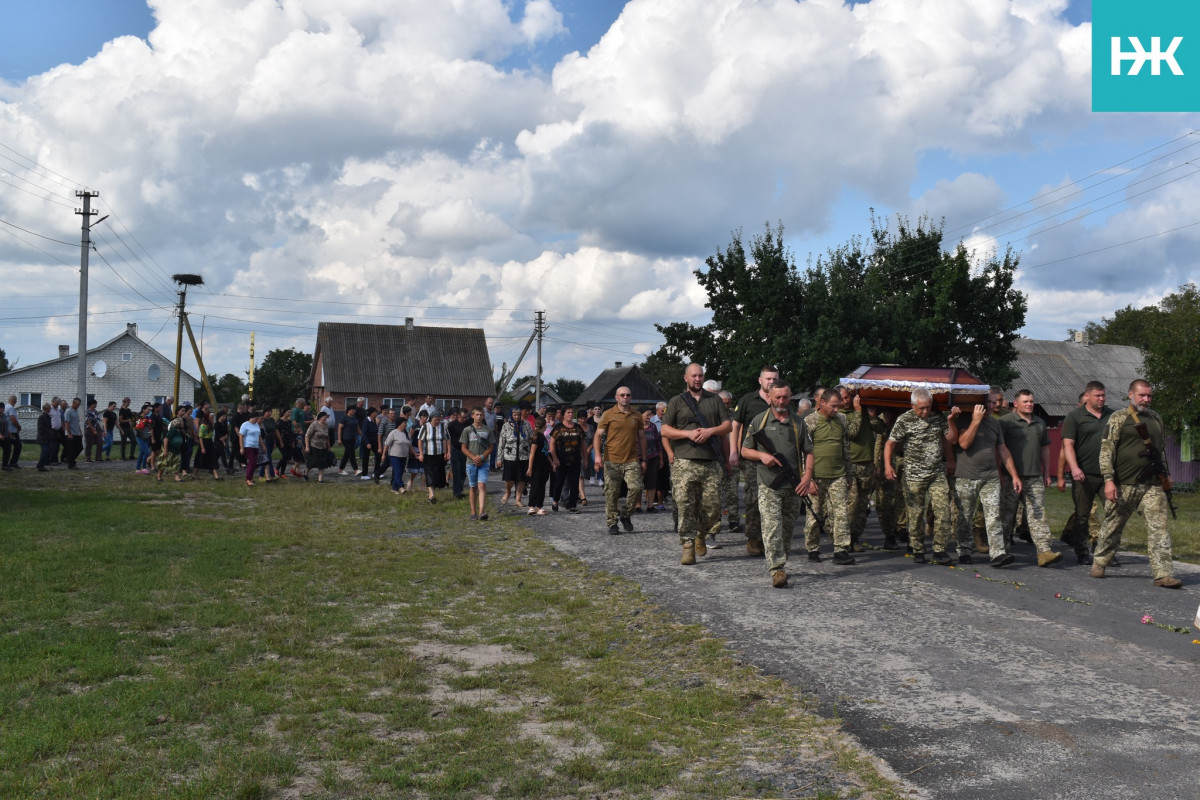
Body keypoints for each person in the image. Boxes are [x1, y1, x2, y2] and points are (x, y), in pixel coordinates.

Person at [1091, 380, 1182, 588]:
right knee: (1113, 525)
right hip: (1124, 484)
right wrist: (1108, 480)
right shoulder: (1119, 418)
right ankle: (1100, 560)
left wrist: (1166, 474)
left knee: (1159, 528)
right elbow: (1107, 450)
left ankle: (1163, 574)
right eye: (1142, 395)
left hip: (1152, 485)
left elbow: (1159, 452)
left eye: (1149, 396)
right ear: (1130, 394)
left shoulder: (1156, 418)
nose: (1146, 400)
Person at [740, 382, 808, 587]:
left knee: (787, 528)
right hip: (768, 484)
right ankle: (776, 569)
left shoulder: (798, 423)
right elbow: (745, 450)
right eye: (777, 397)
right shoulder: (759, 421)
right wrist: (762, 456)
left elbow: (809, 451)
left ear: (790, 397)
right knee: (771, 526)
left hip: (793, 485)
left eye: (785, 397)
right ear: (769, 397)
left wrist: (807, 477)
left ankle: (782, 560)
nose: (781, 401)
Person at [660, 364, 729, 564]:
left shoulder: (715, 400)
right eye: (694, 376)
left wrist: (710, 431)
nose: (697, 379)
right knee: (685, 505)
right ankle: (688, 545)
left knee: (713, 507)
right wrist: (688, 433)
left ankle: (701, 534)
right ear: (686, 378)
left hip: (711, 462)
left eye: (700, 376)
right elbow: (665, 430)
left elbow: (727, 426)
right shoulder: (676, 401)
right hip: (684, 461)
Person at [883, 389, 960, 564]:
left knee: (943, 511)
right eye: (921, 408)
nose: (925, 412)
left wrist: (950, 461)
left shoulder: (937, 417)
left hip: (936, 473)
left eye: (928, 407)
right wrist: (888, 466)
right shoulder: (905, 419)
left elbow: (948, 440)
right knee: (915, 514)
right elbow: (890, 443)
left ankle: (939, 550)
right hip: (913, 476)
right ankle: (917, 547)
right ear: (913, 405)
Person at [954, 395, 1022, 568]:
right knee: (965, 516)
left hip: (990, 477)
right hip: (966, 476)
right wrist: (975, 421)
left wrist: (1014, 475)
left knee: (993, 516)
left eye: (995, 403)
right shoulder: (964, 418)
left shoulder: (995, 423)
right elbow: (963, 443)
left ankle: (997, 553)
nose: (992, 406)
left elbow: (1002, 449)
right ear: (980, 403)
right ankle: (964, 550)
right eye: (989, 403)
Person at [998, 390, 1062, 567]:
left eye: (1032, 401)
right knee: (1006, 514)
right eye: (1025, 401)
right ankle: (1001, 550)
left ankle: (1044, 551)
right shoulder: (1005, 423)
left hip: (1034, 476)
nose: (1029, 404)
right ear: (1016, 404)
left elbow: (1045, 449)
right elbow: (999, 448)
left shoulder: (1039, 423)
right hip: (1010, 477)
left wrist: (1047, 473)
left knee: (1038, 513)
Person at [800, 388, 856, 565]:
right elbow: (801, 452)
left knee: (841, 514)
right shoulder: (810, 421)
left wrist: (849, 474)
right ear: (822, 403)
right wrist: (806, 479)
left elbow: (845, 448)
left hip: (838, 475)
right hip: (816, 477)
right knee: (814, 514)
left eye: (838, 406)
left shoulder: (842, 420)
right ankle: (812, 548)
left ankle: (841, 550)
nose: (837, 410)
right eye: (833, 406)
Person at [730, 366, 780, 556]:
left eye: (774, 378)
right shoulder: (748, 400)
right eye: (768, 378)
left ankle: (770, 538)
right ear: (760, 381)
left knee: (774, 499)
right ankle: (753, 538)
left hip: (775, 459)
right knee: (753, 498)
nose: (771, 382)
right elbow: (735, 425)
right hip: (751, 458)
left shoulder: (781, 400)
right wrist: (733, 451)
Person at [1060, 381, 1111, 566]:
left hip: (1107, 474)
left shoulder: (1111, 415)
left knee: (1113, 512)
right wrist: (1074, 468)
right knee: (1082, 515)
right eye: (1098, 396)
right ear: (1087, 396)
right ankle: (1082, 552)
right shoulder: (1075, 416)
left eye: (1103, 395)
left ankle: (1105, 551)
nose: (1101, 399)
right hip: (1084, 474)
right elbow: (1067, 445)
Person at [595, 388, 648, 535]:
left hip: (631, 459)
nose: (625, 397)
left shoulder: (636, 415)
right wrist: (598, 456)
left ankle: (625, 515)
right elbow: (598, 436)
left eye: (628, 395)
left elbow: (642, 438)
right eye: (622, 395)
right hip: (611, 460)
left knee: (636, 488)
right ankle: (612, 522)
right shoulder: (608, 414)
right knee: (612, 493)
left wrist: (644, 459)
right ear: (616, 397)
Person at [840, 387, 887, 553]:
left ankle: (855, 537)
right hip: (849, 465)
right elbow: (852, 433)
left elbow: (882, 429)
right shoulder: (839, 415)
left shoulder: (864, 412)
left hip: (866, 464)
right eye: (843, 398)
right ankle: (843, 539)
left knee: (862, 505)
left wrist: (872, 416)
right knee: (850, 505)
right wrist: (860, 412)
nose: (846, 401)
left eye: (848, 397)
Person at [549, 408, 586, 513]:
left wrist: (586, 458)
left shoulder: (578, 428)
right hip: (561, 459)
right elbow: (552, 443)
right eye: (568, 412)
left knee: (574, 483)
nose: (570, 414)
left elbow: (583, 444)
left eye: (571, 412)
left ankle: (572, 505)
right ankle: (555, 500)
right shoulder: (558, 427)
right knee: (559, 482)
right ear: (563, 415)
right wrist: (555, 458)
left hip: (575, 459)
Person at [498, 406, 533, 509]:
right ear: (511, 415)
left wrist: (532, 456)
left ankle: (518, 500)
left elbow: (531, 439)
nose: (517, 417)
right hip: (510, 456)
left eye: (519, 415)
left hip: (523, 456)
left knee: (522, 479)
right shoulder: (506, 426)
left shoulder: (526, 425)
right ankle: (508, 492)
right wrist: (499, 459)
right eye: (515, 415)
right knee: (510, 479)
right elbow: (501, 443)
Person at [525, 416, 553, 516]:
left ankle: (539, 506)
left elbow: (545, 452)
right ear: (545, 426)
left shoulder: (543, 437)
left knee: (542, 486)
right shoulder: (536, 437)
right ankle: (531, 506)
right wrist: (530, 467)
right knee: (535, 486)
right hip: (536, 465)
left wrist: (551, 462)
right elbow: (532, 453)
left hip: (544, 465)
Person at [157, 405, 192, 483]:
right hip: (169, 449)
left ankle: (177, 477)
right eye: (181, 422)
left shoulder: (180, 431)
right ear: (177, 423)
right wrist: (165, 450)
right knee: (165, 463)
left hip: (176, 449)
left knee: (177, 463)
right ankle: (159, 475)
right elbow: (166, 440)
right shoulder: (173, 430)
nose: (183, 423)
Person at [639, 408, 663, 514]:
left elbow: (658, 443)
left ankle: (650, 505)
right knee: (638, 483)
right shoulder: (636, 427)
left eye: (650, 415)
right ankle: (637, 505)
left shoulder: (653, 427)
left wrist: (661, 459)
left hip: (653, 458)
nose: (649, 417)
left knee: (652, 482)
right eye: (647, 415)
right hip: (639, 458)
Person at [383, 415, 412, 495]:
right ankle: (401, 487)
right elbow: (387, 444)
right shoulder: (393, 433)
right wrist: (383, 454)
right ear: (399, 424)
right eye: (404, 423)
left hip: (404, 456)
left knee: (400, 472)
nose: (406, 425)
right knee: (398, 471)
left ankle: (394, 488)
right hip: (394, 456)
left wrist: (415, 454)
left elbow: (410, 445)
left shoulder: (407, 434)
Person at [446, 407, 469, 499]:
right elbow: (448, 439)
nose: (464, 419)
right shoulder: (452, 425)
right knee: (456, 471)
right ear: (458, 416)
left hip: (466, 450)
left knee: (463, 472)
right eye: (462, 417)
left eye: (465, 417)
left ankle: (460, 489)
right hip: (455, 449)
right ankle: (456, 492)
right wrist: (448, 451)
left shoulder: (468, 424)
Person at [305, 410, 332, 482]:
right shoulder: (314, 424)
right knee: (313, 462)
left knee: (322, 464)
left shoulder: (326, 425)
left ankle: (320, 480)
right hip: (314, 445)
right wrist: (307, 446)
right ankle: (306, 472)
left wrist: (328, 447)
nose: (325, 418)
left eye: (326, 417)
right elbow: (307, 435)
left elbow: (327, 437)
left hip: (323, 447)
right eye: (324, 417)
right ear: (320, 417)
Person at [238, 409, 263, 487]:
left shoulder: (256, 425)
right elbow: (241, 436)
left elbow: (259, 436)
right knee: (252, 461)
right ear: (252, 417)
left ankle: (250, 478)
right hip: (248, 445)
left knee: (255, 463)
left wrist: (262, 445)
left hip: (255, 446)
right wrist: (241, 447)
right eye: (256, 418)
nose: (257, 420)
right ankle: (248, 479)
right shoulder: (245, 424)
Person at [196, 410, 222, 479]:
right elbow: (200, 437)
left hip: (210, 443)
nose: (212, 419)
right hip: (204, 442)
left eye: (213, 418)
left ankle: (216, 475)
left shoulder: (211, 425)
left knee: (213, 459)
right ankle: (195, 474)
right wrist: (202, 447)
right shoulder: (203, 426)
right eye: (210, 418)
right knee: (200, 459)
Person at [337, 406, 360, 475]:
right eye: (353, 410)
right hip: (346, 438)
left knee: (347, 454)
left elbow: (357, 427)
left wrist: (363, 435)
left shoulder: (355, 418)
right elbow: (339, 428)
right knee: (352, 454)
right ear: (349, 410)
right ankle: (356, 470)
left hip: (353, 438)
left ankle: (341, 469)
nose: (354, 411)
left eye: (354, 410)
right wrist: (339, 439)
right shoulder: (344, 417)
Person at [134, 403, 154, 473]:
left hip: (146, 436)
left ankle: (138, 468)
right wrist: (142, 423)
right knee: (146, 452)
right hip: (140, 437)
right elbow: (135, 427)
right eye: (148, 409)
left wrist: (151, 437)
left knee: (142, 453)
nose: (149, 411)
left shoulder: (148, 418)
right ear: (143, 409)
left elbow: (150, 427)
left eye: (150, 409)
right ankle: (144, 467)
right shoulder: (138, 417)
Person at [4, 395, 22, 470]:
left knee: (8, 448)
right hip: (12, 431)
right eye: (16, 400)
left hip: (6, 430)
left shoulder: (5, 407)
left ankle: (7, 463)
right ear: (14, 401)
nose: (16, 402)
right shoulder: (11, 408)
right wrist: (18, 426)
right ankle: (13, 463)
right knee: (18, 446)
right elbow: (13, 419)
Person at [35, 402, 54, 471]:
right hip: (43, 438)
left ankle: (41, 464)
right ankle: (40, 465)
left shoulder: (48, 416)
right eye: (49, 409)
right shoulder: (42, 417)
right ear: (46, 409)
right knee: (45, 451)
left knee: (47, 451)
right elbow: (41, 428)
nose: (50, 410)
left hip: (47, 437)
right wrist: (49, 432)